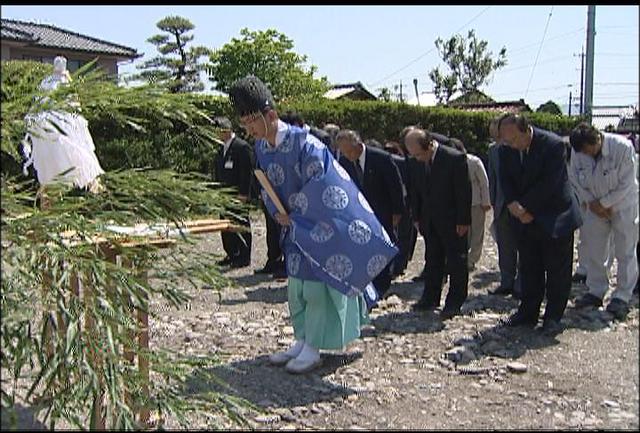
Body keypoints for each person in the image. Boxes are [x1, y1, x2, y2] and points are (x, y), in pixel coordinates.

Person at [228, 75, 397, 374]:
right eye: (245, 125)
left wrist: (298, 213)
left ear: (271, 115)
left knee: (318, 287)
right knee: (297, 286)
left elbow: (324, 184)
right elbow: (267, 186)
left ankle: (315, 347)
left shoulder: (306, 144)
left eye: (253, 122)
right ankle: (302, 338)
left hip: (319, 226)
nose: (249, 130)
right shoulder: (263, 149)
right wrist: (276, 210)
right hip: (291, 226)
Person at [497, 114, 582, 335]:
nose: (511, 144)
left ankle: (553, 317)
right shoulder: (506, 149)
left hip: (555, 215)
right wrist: (513, 205)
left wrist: (527, 208)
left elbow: (551, 183)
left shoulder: (552, 145)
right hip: (524, 218)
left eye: (514, 139)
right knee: (529, 267)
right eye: (506, 140)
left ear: (527, 130)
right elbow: (505, 179)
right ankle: (528, 312)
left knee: (557, 271)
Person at [568, 123, 639, 320]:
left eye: (588, 150)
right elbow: (573, 177)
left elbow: (626, 183)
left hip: (623, 205)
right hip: (593, 206)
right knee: (595, 248)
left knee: (625, 250)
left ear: (597, 139)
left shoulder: (622, 147)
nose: (586, 155)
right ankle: (596, 290)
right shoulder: (578, 152)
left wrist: (605, 203)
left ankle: (622, 296)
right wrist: (592, 202)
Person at [405, 128, 471, 320]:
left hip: (452, 220)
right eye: (413, 155)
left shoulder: (454, 159)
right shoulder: (415, 162)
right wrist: (416, 217)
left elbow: (463, 192)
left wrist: (463, 220)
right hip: (429, 219)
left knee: (457, 261)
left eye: (419, 154)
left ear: (430, 145)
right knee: (433, 259)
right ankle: (430, 298)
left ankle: (454, 302)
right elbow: (415, 190)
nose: (416, 158)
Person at [336, 130, 405, 298]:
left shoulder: (381, 158)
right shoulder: (345, 161)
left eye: (349, 151)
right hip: (359, 214)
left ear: (358, 146)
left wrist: (397, 211)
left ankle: (382, 285)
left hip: (382, 211)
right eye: (343, 152)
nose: (347, 155)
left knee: (382, 247)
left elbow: (395, 186)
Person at [22, 56, 104, 193]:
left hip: (50, 128)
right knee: (67, 155)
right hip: (59, 128)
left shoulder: (48, 83)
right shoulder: (64, 83)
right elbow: (75, 108)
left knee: (54, 162)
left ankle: (49, 192)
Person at [212, 116, 254, 268]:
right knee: (226, 225)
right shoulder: (221, 148)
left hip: (238, 195)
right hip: (224, 196)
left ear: (227, 130)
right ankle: (231, 253)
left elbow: (247, 172)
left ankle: (243, 256)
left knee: (240, 224)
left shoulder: (242, 147)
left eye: (219, 130)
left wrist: (244, 193)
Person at [486, 118, 521, 298]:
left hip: (521, 206)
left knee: (523, 245)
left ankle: (521, 283)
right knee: (505, 245)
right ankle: (507, 281)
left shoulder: (520, 147)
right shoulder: (493, 150)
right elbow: (492, 178)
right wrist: (492, 201)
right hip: (501, 204)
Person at [449, 138, 491, 272]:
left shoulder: (474, 161)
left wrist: (486, 201)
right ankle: (461, 257)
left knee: (477, 233)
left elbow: (484, 182)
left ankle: (472, 260)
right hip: (458, 203)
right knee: (462, 232)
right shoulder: (450, 163)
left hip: (476, 202)